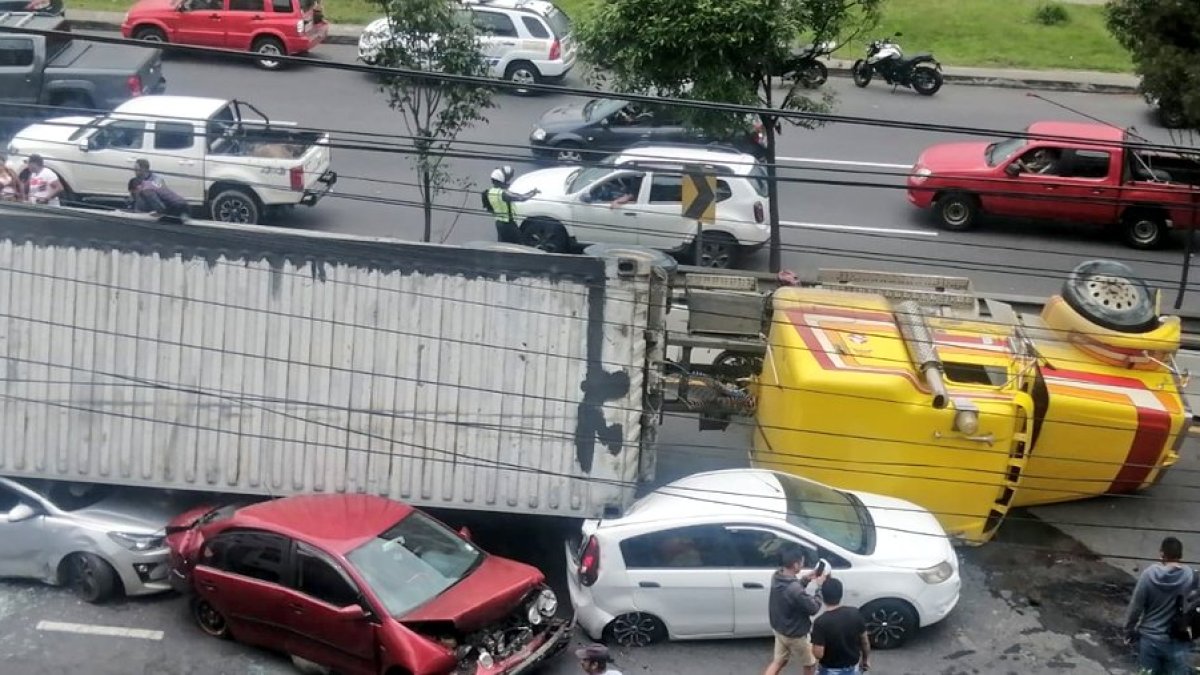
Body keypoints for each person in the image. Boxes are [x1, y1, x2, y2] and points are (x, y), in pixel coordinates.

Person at [1124, 536, 1198, 675]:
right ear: (1180, 555)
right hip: (1177, 641)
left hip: (1149, 640)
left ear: (1162, 554)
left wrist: (1129, 630)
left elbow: (1136, 607)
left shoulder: (1148, 575)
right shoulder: (1190, 576)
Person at [764, 546, 826, 675]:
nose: (803, 564)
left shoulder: (777, 576)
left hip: (780, 630)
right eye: (802, 561)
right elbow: (813, 608)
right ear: (796, 564)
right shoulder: (795, 589)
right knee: (810, 664)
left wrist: (805, 579)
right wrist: (819, 588)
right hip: (795, 635)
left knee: (779, 661)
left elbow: (791, 593)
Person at [810, 578, 870, 675]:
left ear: (823, 596)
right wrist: (865, 660)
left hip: (830, 670)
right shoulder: (855, 613)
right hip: (852, 669)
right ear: (841, 594)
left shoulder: (820, 622)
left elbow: (818, 654)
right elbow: (865, 641)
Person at [481, 165, 539, 244]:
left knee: (502, 244)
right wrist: (533, 192)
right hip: (509, 223)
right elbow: (521, 198)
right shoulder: (503, 194)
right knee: (519, 244)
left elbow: (489, 208)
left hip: (498, 223)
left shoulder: (488, 192)